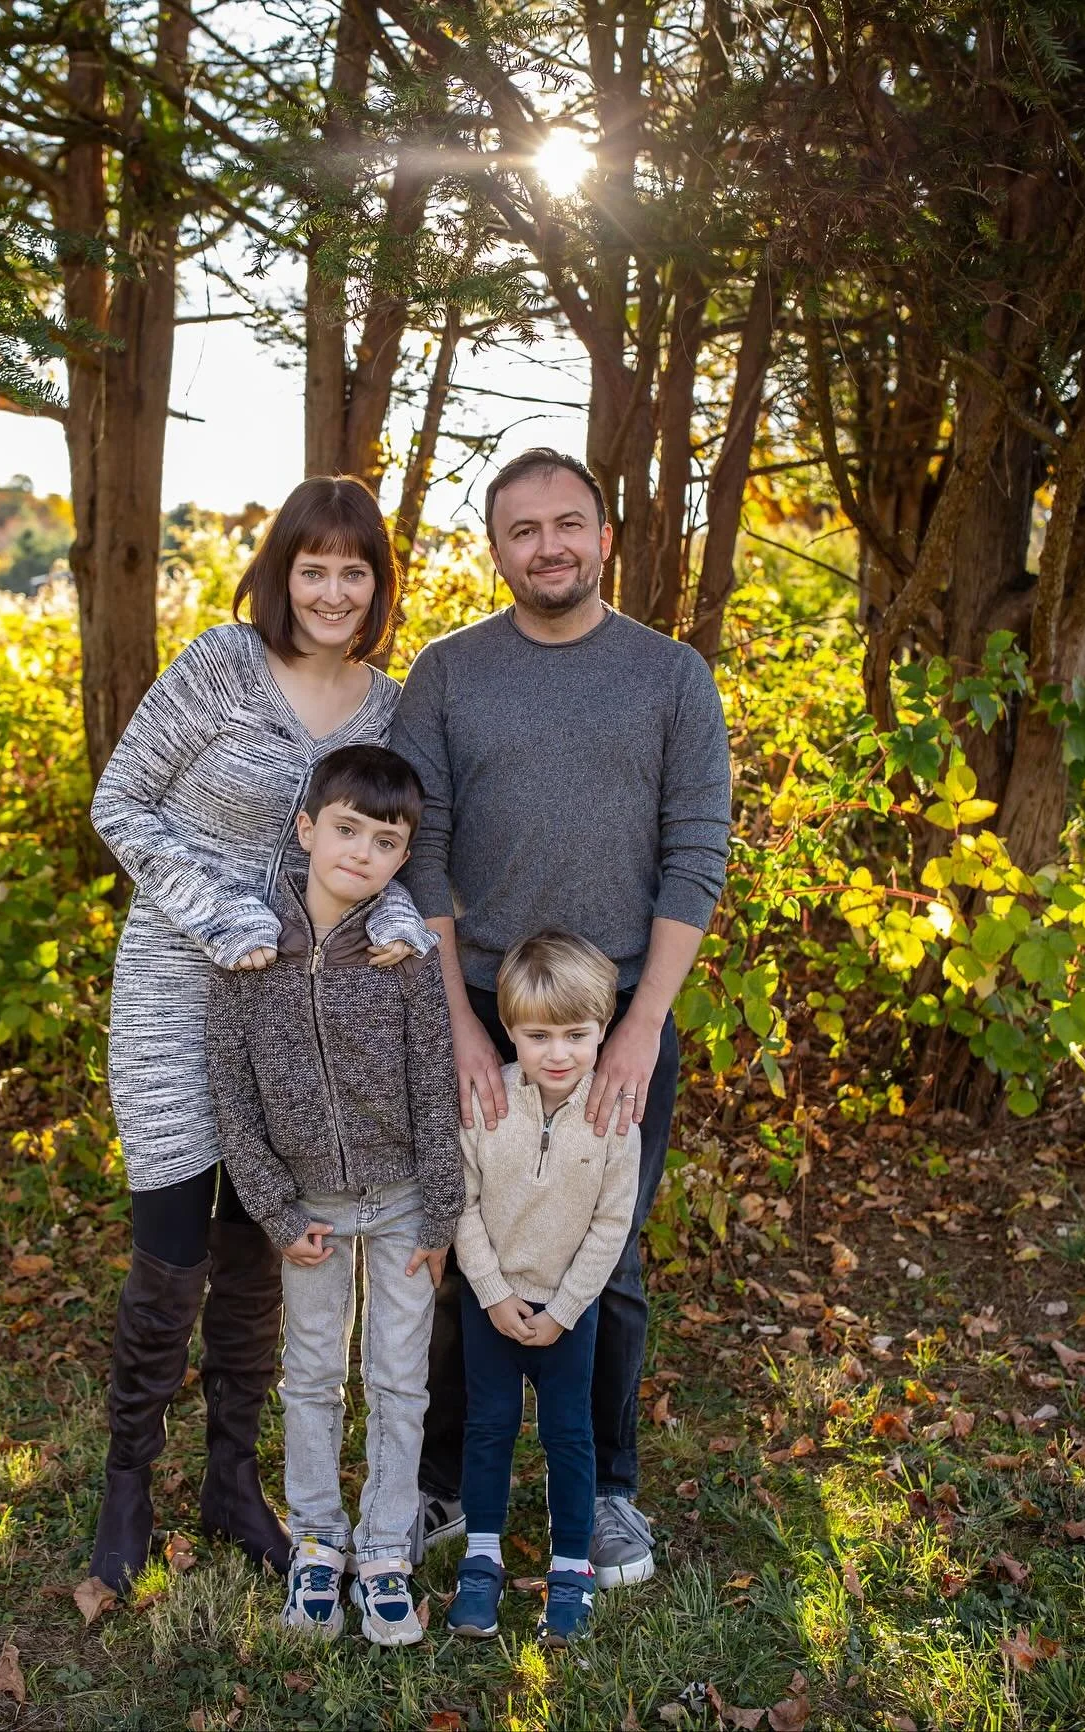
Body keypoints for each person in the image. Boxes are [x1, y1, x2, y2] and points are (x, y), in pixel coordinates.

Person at [391, 447, 732, 1586]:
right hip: (482, 1002)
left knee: (612, 1254)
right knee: (457, 1238)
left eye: (568, 523)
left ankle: (614, 1494)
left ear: (604, 535)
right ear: (495, 549)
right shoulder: (446, 674)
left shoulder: (671, 676)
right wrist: (458, 1026)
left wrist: (639, 1029)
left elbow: (696, 857)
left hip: (619, 1010)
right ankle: (443, 1483)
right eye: (523, 529)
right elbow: (421, 853)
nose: (549, 545)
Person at [86, 477, 430, 1593]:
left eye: (355, 570)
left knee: (256, 1249)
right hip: (177, 994)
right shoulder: (219, 667)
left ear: (378, 584)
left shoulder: (387, 706)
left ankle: (232, 1482)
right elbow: (120, 803)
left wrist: (400, 922)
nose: (334, 590)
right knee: (174, 1248)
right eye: (313, 567)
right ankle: (127, 1486)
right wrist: (221, 907)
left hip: (300, 1018)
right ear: (282, 574)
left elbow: (382, 842)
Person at [205, 745, 462, 1646]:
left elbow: (437, 1086)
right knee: (310, 1375)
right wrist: (276, 1211)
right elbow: (230, 1095)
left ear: (402, 857)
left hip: (400, 1204)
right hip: (307, 1207)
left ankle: (386, 1548)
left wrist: (442, 1214)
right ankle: (318, 1542)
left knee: (398, 1378)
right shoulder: (248, 951)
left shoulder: (406, 958)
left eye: (384, 841)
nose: (360, 852)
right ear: (309, 829)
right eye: (345, 830)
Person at [446, 931, 639, 1647]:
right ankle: (482, 1557)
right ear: (510, 1032)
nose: (557, 1053)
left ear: (603, 1031)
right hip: (490, 1301)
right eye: (537, 1036)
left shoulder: (615, 1117)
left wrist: (563, 1309)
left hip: (569, 1309)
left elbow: (611, 1225)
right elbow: (460, 1204)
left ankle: (570, 1568)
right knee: (489, 1427)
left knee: (569, 1435)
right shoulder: (485, 1104)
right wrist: (493, 1292)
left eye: (575, 1035)